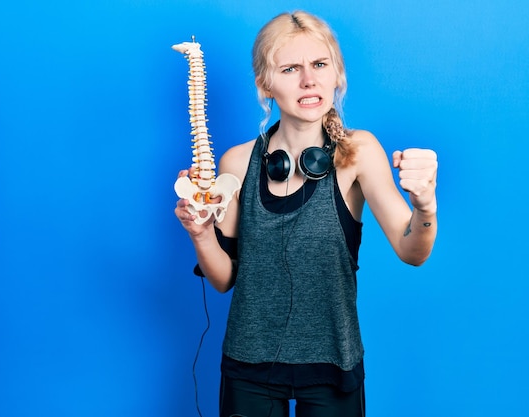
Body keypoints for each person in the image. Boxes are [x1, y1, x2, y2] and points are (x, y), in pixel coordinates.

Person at [175, 10, 438, 417]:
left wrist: (425, 206)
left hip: (333, 362)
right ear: (266, 84)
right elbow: (225, 280)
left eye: (319, 64)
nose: (309, 80)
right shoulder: (237, 163)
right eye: (290, 68)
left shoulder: (359, 153)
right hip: (249, 363)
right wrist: (200, 232)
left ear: (337, 75)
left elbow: (413, 251)